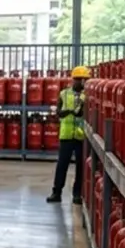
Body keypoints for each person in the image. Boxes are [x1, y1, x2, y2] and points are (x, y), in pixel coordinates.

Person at [47, 65, 89, 204]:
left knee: (81, 167)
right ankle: (56, 192)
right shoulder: (64, 93)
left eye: (84, 80)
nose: (82, 83)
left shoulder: (88, 96)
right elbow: (58, 111)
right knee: (62, 165)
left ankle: (77, 194)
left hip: (81, 136)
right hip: (66, 136)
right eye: (80, 80)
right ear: (74, 79)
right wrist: (68, 111)